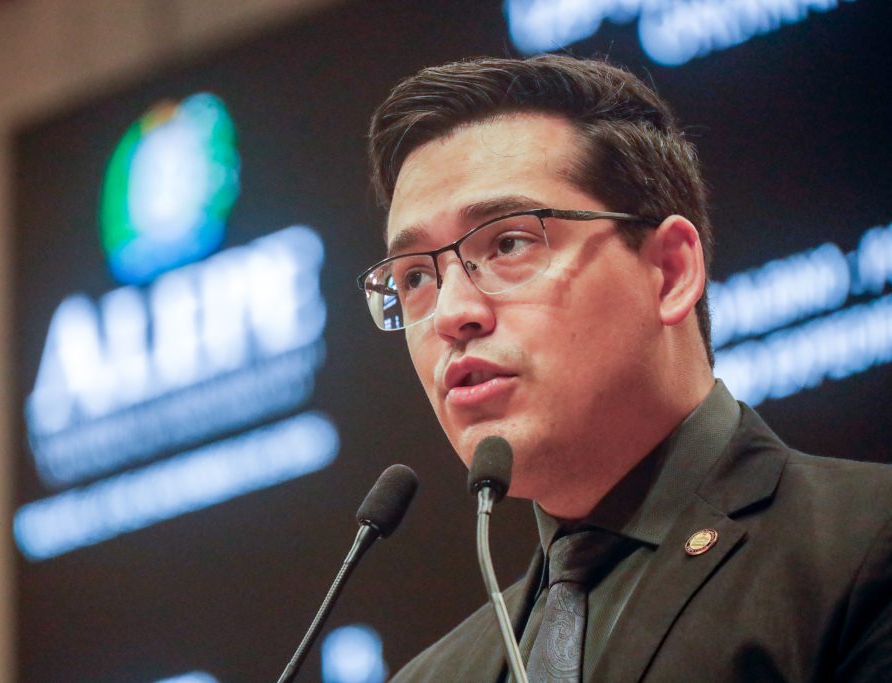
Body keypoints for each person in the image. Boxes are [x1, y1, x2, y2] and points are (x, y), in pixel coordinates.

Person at [356, 54, 892, 682]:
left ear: (669, 271)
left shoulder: (865, 547)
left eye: (507, 243)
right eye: (415, 276)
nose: (453, 314)